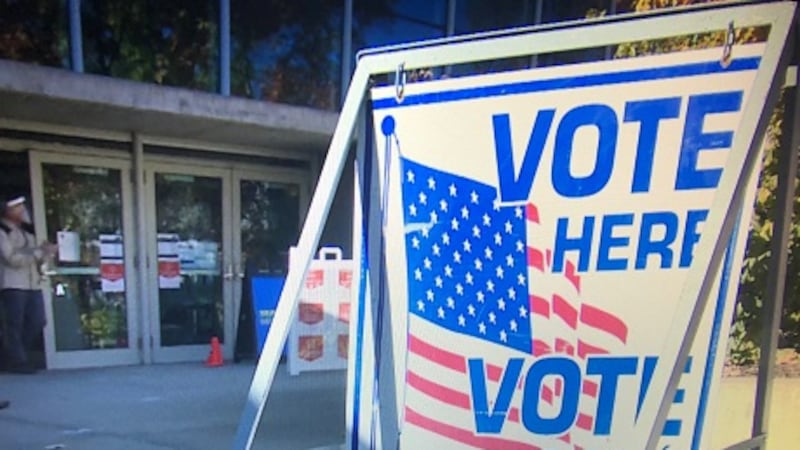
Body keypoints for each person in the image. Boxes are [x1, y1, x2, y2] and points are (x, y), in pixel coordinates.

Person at [0, 194, 54, 374]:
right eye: (17, 207)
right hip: (12, 284)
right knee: (14, 325)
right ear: (6, 210)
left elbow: (35, 257)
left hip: (32, 284)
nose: (22, 210)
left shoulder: (27, 232)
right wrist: (37, 253)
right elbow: (11, 259)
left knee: (38, 320)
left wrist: (47, 252)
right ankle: (18, 361)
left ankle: (14, 356)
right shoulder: (2, 231)